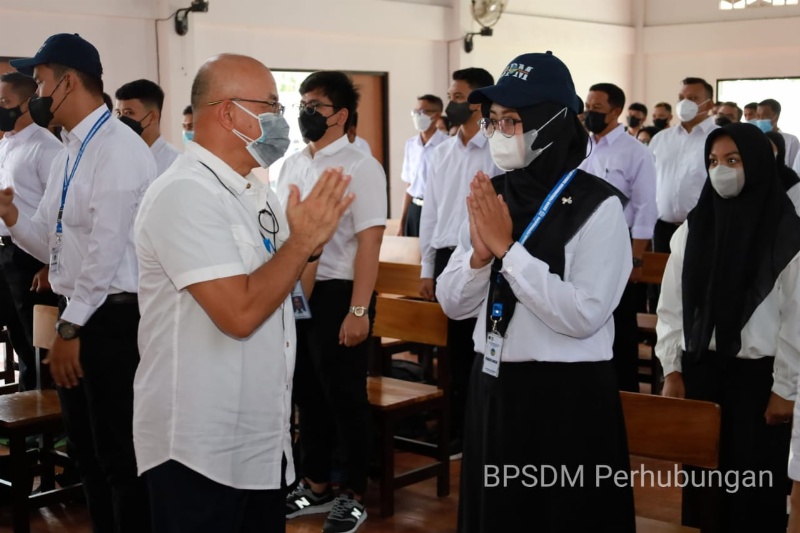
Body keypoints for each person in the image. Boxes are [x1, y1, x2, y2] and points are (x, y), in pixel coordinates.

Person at [133, 53, 353, 533]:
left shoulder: (255, 193)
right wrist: (300, 244)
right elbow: (239, 312)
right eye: (271, 105)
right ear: (228, 113)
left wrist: (308, 248)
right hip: (199, 446)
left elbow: (278, 284)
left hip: (258, 438)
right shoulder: (185, 194)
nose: (281, 118)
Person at [437, 51, 635, 533]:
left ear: (551, 122)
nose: (500, 132)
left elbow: (583, 315)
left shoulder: (598, 205)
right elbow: (454, 304)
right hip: (495, 387)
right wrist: (479, 258)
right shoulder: (493, 192)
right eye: (495, 121)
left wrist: (508, 250)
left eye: (514, 121)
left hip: (565, 398)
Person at [1, 33, 156, 532]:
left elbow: (105, 255)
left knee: (119, 456)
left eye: (41, 82)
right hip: (80, 312)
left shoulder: (117, 150)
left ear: (67, 82)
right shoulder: (70, 150)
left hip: (110, 319)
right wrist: (10, 217)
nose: (36, 95)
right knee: (89, 453)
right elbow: (49, 239)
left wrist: (70, 330)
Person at [656, 123, 800, 533]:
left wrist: (784, 389)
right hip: (701, 370)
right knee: (704, 491)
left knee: (753, 491)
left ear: (756, 164)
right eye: (713, 161)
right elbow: (672, 307)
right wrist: (673, 369)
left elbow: (797, 319)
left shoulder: (788, 234)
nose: (721, 170)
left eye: (733, 160)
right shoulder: (694, 228)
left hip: (760, 380)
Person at [277, 70, 386, 533]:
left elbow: (369, 243)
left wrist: (359, 310)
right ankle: (316, 483)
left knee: (345, 397)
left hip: (342, 292)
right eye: (301, 104)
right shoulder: (293, 163)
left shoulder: (361, 166)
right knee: (307, 393)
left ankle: (352, 493)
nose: (305, 113)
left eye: (315, 106)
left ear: (340, 116)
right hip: (299, 291)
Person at [418, 67, 500, 453]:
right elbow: (431, 212)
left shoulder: (497, 149)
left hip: (484, 256)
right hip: (449, 255)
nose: (451, 102)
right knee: (451, 352)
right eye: (450, 94)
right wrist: (426, 267)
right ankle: (454, 425)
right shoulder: (440, 151)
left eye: (459, 95)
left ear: (479, 101)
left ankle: (477, 429)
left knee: (480, 348)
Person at [580, 82, 657, 392]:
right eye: (587, 106)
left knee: (620, 323)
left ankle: (624, 394)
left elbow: (645, 208)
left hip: (618, 242)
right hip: (582, 241)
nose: (589, 113)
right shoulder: (581, 146)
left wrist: (636, 258)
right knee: (586, 315)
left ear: (616, 111)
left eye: (597, 109)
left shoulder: (635, 152)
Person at [0, 71, 61, 391]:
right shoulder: (6, 144)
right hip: (7, 250)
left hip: (33, 255)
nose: (0, 108)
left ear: (26, 104)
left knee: (39, 343)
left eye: (5, 102)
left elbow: (59, 211)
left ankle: (48, 419)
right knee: (19, 341)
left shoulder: (46, 148)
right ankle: (27, 413)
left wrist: (50, 262)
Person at [649, 77, 718, 254]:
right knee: (662, 279)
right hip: (663, 228)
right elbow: (649, 181)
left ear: (709, 105)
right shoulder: (661, 139)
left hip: (704, 228)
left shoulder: (720, 138)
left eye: (693, 98)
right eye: (681, 98)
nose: (685, 103)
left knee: (698, 280)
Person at [397, 94, 447, 237]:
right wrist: (402, 221)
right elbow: (409, 185)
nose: (419, 115)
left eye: (424, 112)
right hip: (414, 208)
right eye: (416, 111)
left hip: (436, 210)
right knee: (412, 255)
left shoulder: (447, 145)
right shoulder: (411, 145)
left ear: (436, 116)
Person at [115, 79, 180, 176]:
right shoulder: (118, 159)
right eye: (118, 113)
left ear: (152, 117)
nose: (121, 119)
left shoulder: (175, 164)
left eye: (129, 113)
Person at [756, 99, 800, 170]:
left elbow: (795, 171)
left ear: (775, 118)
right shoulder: (754, 140)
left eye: (764, 116)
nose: (760, 120)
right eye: (758, 116)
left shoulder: (791, 140)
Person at [765, 130, 800, 213]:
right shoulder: (754, 176)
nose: (766, 152)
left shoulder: (790, 180)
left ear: (780, 150)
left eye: (771, 148)